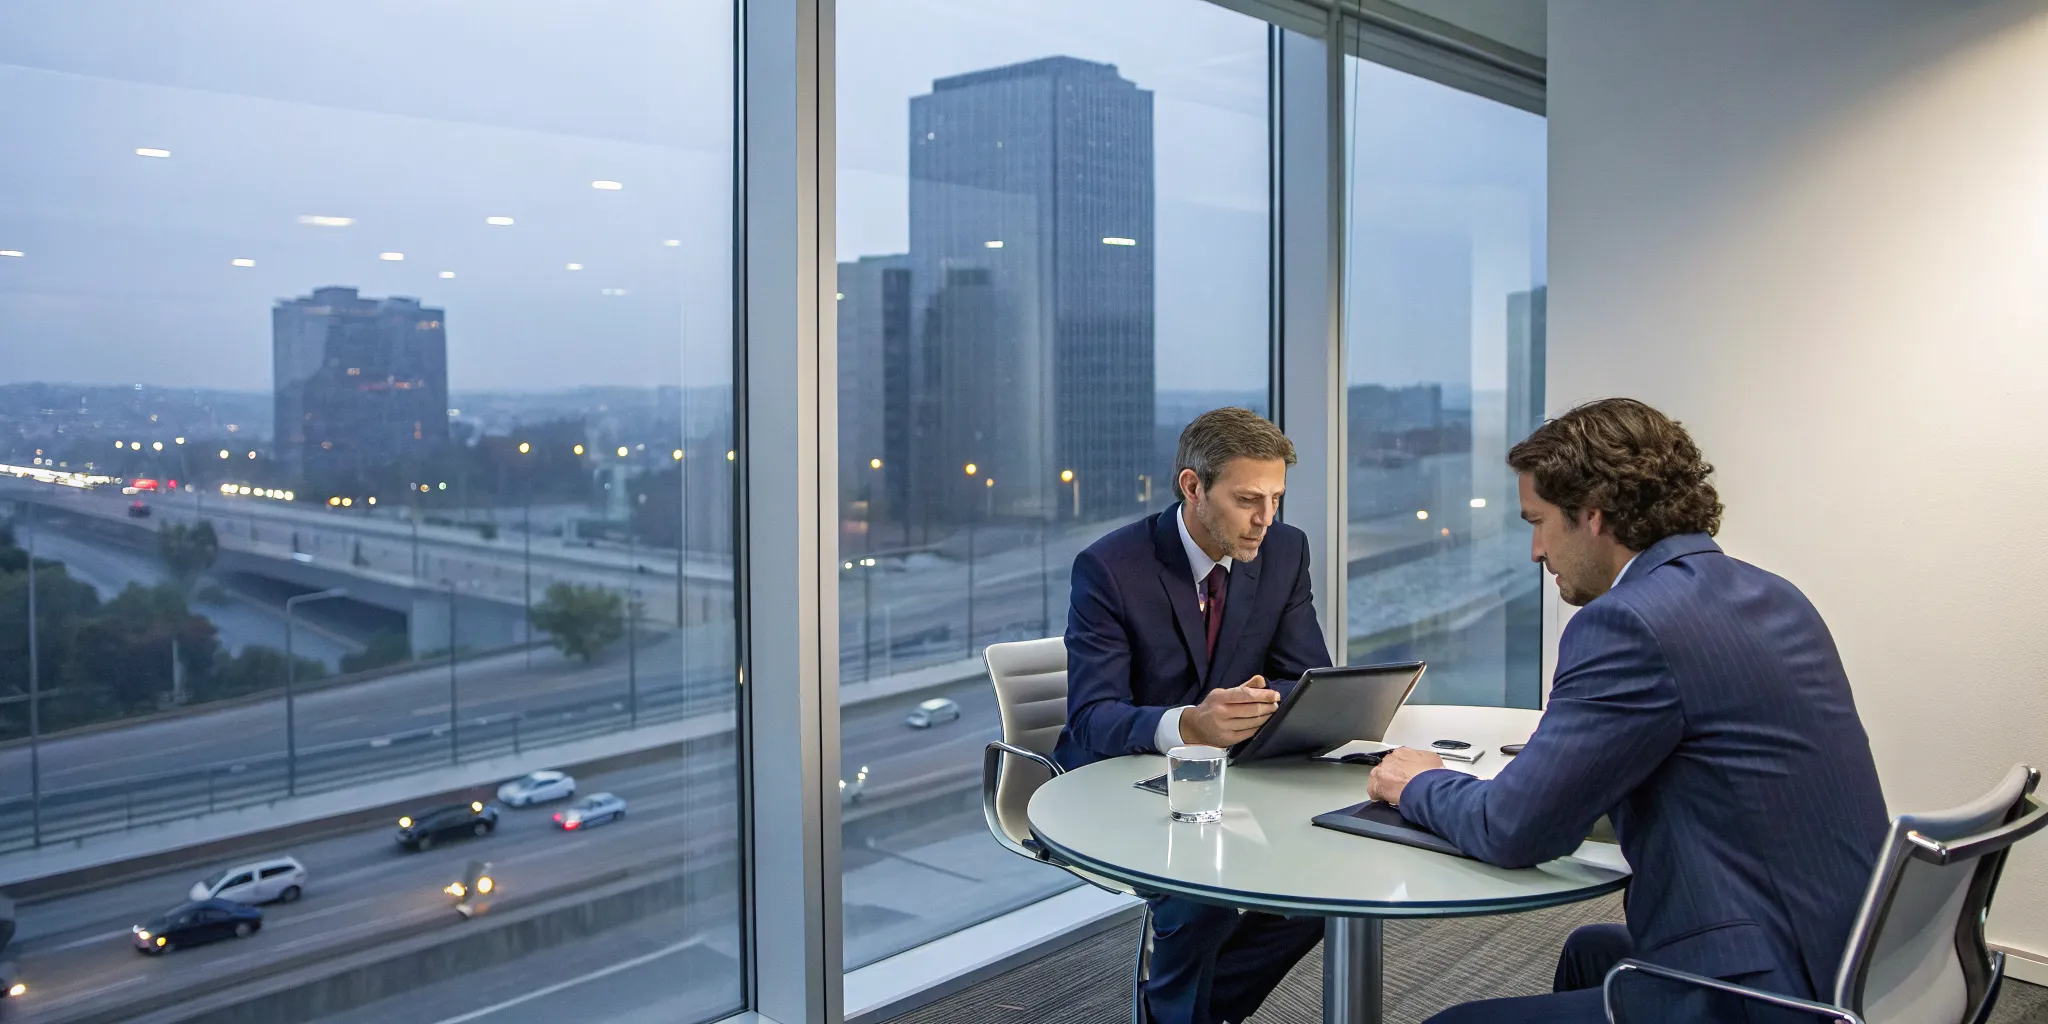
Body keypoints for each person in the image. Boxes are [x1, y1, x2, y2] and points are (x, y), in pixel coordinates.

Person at [1367, 398, 1888, 1023]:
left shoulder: (1627, 622)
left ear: (1591, 516)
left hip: (1768, 993)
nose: (1535, 550)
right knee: (1592, 951)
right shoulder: (1773, 592)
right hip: (1853, 955)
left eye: (1538, 522)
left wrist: (1419, 780)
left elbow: (1513, 830)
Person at [1054, 407, 1331, 1024]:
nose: (1266, 519)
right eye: (1247, 500)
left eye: (1277, 499)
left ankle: (1184, 1013)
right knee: (1202, 896)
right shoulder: (1110, 569)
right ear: (1192, 488)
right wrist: (1188, 725)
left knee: (1327, 890)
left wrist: (1261, 703)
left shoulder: (1284, 551)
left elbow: (1305, 672)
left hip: (1232, 775)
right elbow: (1093, 719)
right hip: (1120, 775)